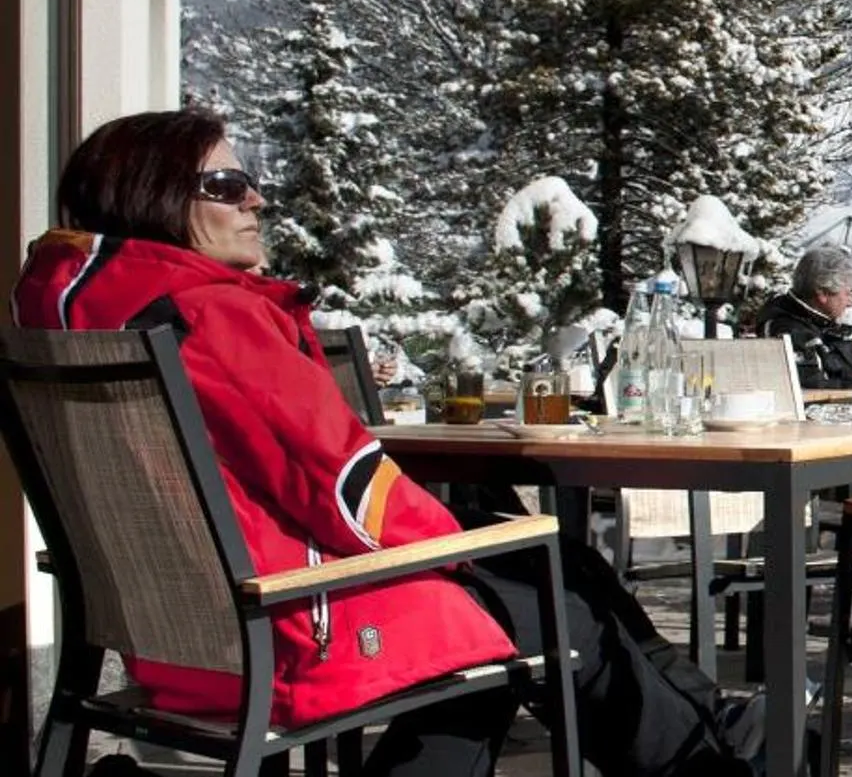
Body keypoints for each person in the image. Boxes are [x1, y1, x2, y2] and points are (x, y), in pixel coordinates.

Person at [11, 109, 753, 777]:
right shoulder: (207, 315)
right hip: (289, 629)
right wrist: (461, 542)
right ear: (156, 193)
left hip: (177, 639)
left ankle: (713, 731)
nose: (255, 199)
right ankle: (710, 763)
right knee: (529, 620)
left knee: (551, 570)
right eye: (227, 183)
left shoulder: (84, 318)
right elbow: (339, 479)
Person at [757, 245, 852, 402]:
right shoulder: (788, 331)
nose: (850, 303)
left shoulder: (827, 328)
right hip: (825, 423)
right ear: (823, 293)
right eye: (848, 293)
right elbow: (813, 395)